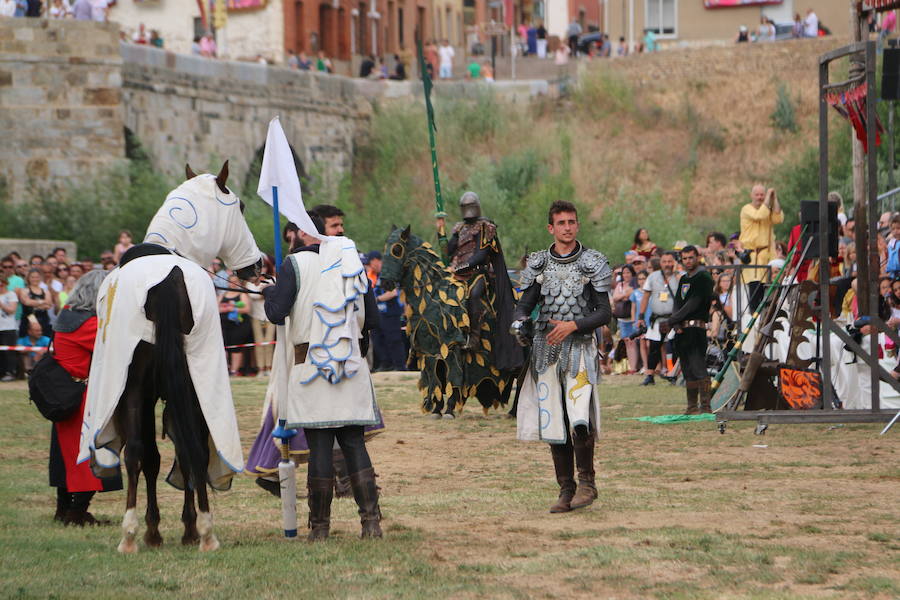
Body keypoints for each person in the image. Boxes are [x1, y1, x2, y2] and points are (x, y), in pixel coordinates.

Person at [261, 213, 383, 541]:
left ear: (303, 231)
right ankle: (370, 524)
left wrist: (269, 291)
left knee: (319, 448)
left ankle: (319, 529)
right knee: (354, 443)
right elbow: (371, 318)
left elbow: (275, 312)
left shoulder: (293, 265)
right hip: (351, 365)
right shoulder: (352, 262)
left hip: (310, 367)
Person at [511, 200, 611, 513]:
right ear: (551, 228)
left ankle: (587, 483)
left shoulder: (592, 263)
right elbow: (524, 305)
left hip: (579, 348)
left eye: (572, 222)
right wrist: (519, 323)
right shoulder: (539, 265)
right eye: (561, 223)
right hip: (546, 351)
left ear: (577, 225)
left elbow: (605, 312)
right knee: (554, 421)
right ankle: (565, 488)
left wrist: (573, 325)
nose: (567, 227)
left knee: (579, 418)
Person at [47, 270, 122, 525]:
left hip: (69, 394)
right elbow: (114, 348)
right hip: (82, 398)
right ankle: (76, 513)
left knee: (65, 458)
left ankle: (63, 511)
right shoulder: (87, 324)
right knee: (87, 458)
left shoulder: (68, 315)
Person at [661, 246, 715, 414]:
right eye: (684, 258)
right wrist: (675, 324)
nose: (688, 261)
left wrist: (671, 320)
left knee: (698, 366)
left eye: (691, 257)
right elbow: (678, 302)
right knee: (687, 369)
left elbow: (694, 303)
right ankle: (691, 407)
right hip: (682, 330)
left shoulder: (704, 277)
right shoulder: (684, 279)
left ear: (697, 257)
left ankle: (705, 406)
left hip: (696, 329)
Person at [739, 185, 783, 310]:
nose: (760, 197)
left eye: (762, 194)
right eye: (757, 194)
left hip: (768, 256)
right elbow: (759, 215)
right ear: (751, 195)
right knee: (754, 295)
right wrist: (768, 198)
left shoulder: (767, 210)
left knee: (770, 295)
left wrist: (774, 199)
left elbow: (778, 217)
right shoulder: (746, 209)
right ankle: (755, 321)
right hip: (753, 257)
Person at [637, 251, 678, 386]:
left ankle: (673, 373)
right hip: (657, 319)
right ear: (660, 263)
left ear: (674, 262)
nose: (667, 264)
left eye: (670, 261)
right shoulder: (653, 277)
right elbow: (646, 297)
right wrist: (641, 316)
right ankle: (649, 375)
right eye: (665, 261)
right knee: (654, 347)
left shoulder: (679, 277)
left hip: (673, 319)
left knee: (674, 346)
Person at [366, 251, 406, 371]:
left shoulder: (388, 274)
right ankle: (385, 364)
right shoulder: (373, 275)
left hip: (391, 313)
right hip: (378, 314)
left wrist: (376, 299)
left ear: (376, 260)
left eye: (370, 263)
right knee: (378, 339)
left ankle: (399, 365)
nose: (370, 266)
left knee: (393, 339)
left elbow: (393, 292)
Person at [219, 273, 252, 376]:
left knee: (235, 348)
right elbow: (216, 308)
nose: (233, 284)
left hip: (239, 325)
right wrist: (224, 308)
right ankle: (224, 370)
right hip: (224, 325)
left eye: (235, 282)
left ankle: (234, 370)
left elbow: (247, 309)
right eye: (231, 282)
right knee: (223, 347)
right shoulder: (222, 295)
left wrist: (232, 308)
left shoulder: (242, 294)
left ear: (239, 283)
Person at [612, 265, 638, 373]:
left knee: (635, 342)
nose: (626, 275)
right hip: (622, 319)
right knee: (627, 342)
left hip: (633, 317)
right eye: (624, 273)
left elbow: (632, 294)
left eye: (628, 273)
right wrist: (625, 295)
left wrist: (622, 295)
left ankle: (637, 366)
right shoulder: (620, 285)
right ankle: (632, 367)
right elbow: (615, 297)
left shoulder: (636, 284)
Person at [17, 268, 52, 337]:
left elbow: (49, 304)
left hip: (43, 320)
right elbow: (26, 302)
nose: (35, 279)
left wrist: (34, 303)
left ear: (40, 278)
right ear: (28, 278)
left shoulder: (45, 291)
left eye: (37, 277)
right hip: (28, 320)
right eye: (32, 277)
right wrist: (42, 302)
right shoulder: (24, 290)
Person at [0, 274, 18, 381]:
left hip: (8, 327)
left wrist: (2, 304)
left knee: (8, 351)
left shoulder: (11, 294)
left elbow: (12, 310)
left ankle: (10, 371)